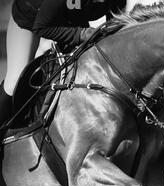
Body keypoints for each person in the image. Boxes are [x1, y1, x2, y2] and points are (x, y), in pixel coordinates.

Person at [0, 0, 127, 128]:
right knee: (14, 81)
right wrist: (82, 34)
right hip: (30, 20)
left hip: (71, 20)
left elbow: (114, 27)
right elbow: (41, 27)